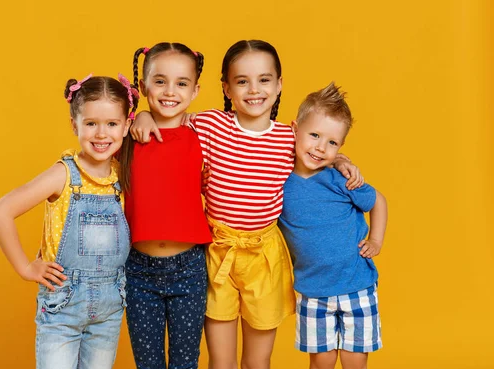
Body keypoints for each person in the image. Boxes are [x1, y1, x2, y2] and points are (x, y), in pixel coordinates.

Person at [131, 40, 363, 369]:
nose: (254, 90)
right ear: (225, 87)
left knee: (257, 361)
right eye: (242, 81)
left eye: (264, 79)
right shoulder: (209, 126)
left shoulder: (290, 138)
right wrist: (141, 113)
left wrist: (340, 159)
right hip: (218, 253)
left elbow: (318, 149)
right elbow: (168, 115)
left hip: (263, 258)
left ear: (280, 84)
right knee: (220, 361)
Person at [0, 73, 137, 369]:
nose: (101, 134)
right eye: (90, 123)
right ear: (74, 125)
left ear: (127, 125)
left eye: (112, 124)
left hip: (109, 309)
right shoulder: (64, 175)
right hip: (62, 307)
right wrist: (26, 267)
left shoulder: (124, 175)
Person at [278, 82, 388, 369]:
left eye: (332, 143)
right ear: (294, 129)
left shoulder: (341, 179)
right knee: (322, 362)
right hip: (313, 292)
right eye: (314, 135)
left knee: (354, 362)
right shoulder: (277, 179)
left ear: (341, 147)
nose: (320, 147)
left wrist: (376, 239)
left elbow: (378, 201)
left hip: (356, 286)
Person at [121, 42, 212, 369]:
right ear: (143, 87)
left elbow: (255, 139)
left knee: (186, 362)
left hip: (189, 268)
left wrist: (338, 158)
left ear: (195, 90)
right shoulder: (127, 136)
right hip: (137, 269)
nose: (170, 91)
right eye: (160, 81)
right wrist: (139, 115)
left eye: (181, 83)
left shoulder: (203, 135)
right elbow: (95, 133)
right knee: (148, 364)